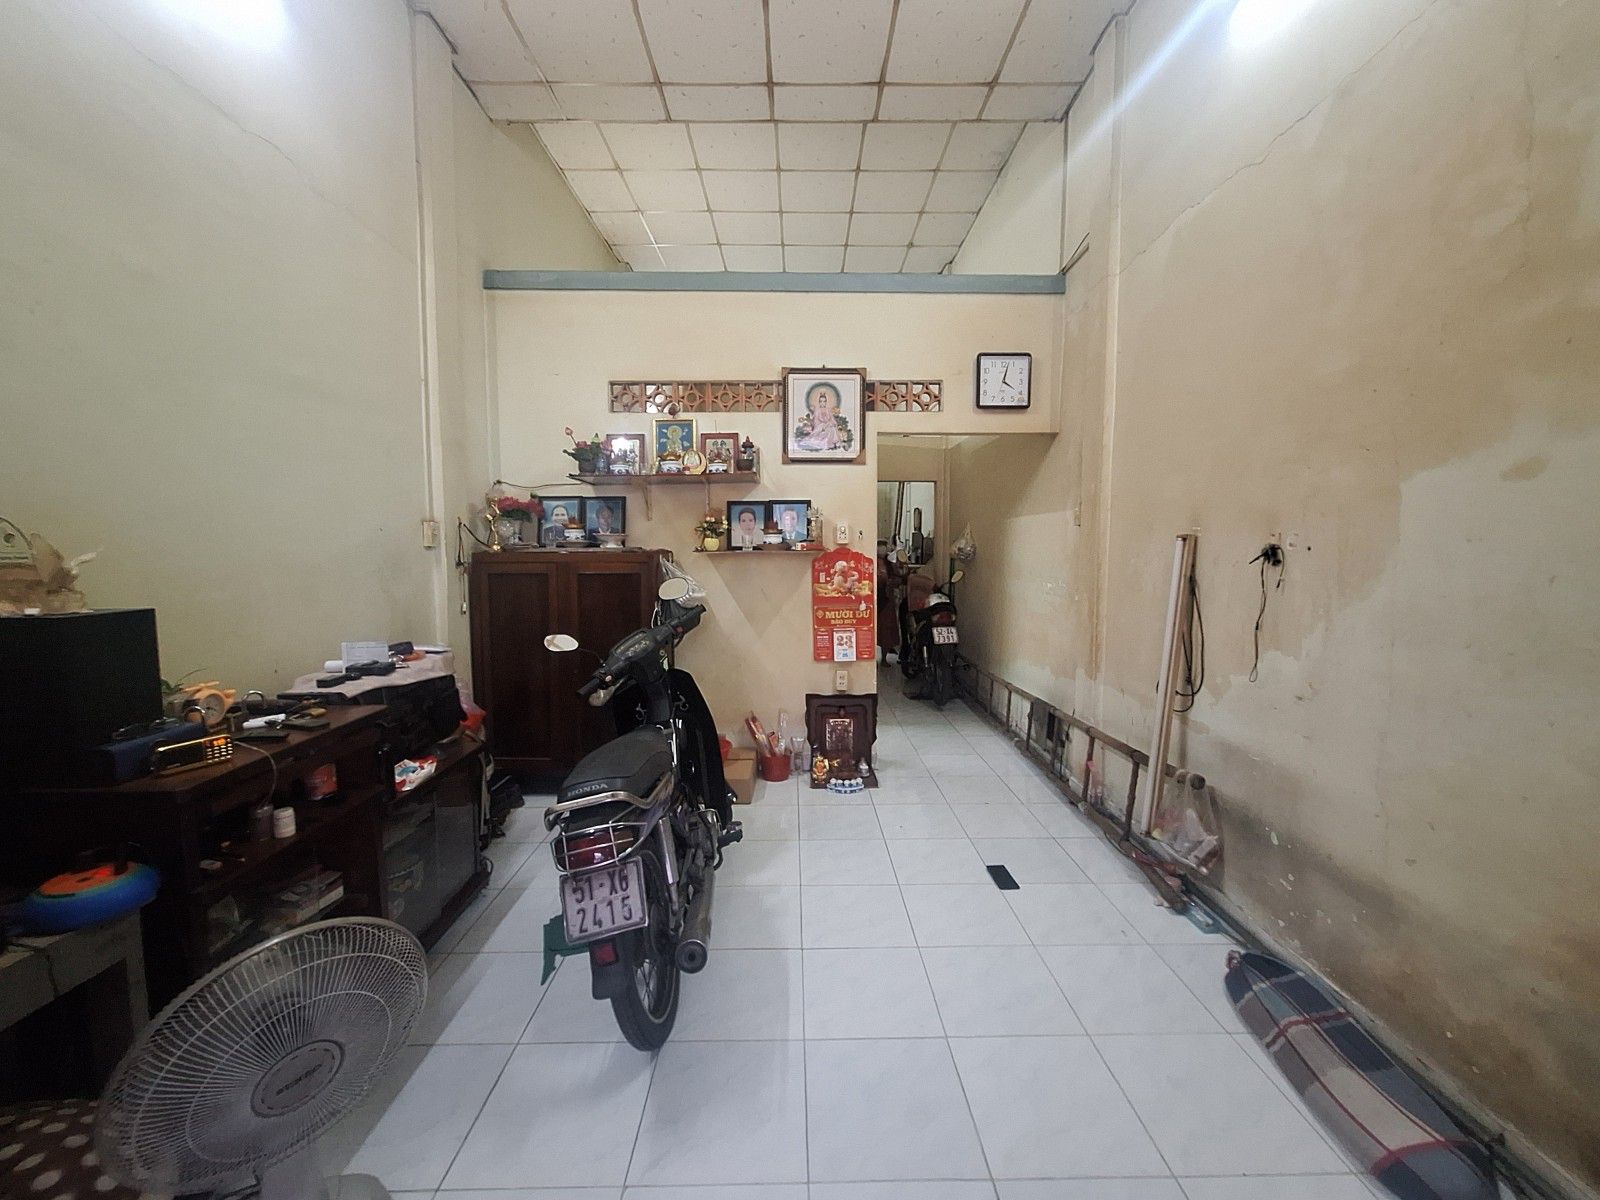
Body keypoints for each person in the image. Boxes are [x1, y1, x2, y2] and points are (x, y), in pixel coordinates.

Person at [794, 382, 852, 453]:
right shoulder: (817, 410)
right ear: (819, 402)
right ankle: (831, 443)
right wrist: (823, 425)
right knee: (828, 429)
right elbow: (816, 421)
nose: (822, 403)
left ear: (826, 402)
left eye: (824, 401)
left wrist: (833, 423)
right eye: (821, 401)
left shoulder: (828, 410)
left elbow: (831, 419)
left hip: (828, 426)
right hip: (820, 428)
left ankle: (838, 443)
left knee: (832, 428)